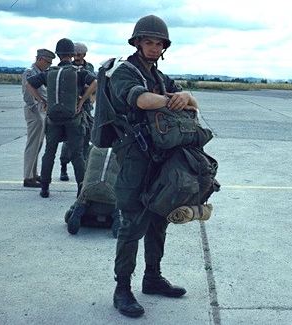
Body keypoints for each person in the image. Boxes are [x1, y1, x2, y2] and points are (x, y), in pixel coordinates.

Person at [107, 15, 198, 318]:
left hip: (160, 158)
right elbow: (141, 101)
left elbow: (191, 102)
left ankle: (152, 278)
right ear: (137, 42)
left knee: (160, 218)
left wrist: (186, 95)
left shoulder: (159, 76)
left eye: (159, 44)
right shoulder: (124, 72)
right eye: (149, 42)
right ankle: (122, 289)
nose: (154, 47)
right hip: (134, 159)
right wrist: (174, 100)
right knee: (132, 224)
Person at [26, 38, 97, 198]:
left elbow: (29, 85)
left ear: (57, 54)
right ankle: (81, 189)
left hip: (53, 118)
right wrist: (82, 100)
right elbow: (95, 82)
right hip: (74, 118)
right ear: (72, 54)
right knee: (77, 154)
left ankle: (44, 187)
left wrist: (43, 101)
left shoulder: (49, 72)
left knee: (49, 152)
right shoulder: (79, 72)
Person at [59, 42, 96, 181]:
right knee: (69, 140)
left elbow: (94, 84)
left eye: (79, 55)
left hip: (86, 108)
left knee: (87, 138)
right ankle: (64, 165)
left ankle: (85, 169)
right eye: (75, 54)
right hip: (71, 108)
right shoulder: (67, 66)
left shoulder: (89, 67)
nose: (77, 57)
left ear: (84, 55)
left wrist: (90, 97)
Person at [21, 49, 55, 188]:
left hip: (40, 110)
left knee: (37, 144)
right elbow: (27, 94)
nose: (48, 65)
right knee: (33, 144)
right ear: (40, 59)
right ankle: (28, 177)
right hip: (34, 111)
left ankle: (33, 174)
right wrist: (36, 109)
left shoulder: (39, 73)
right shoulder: (29, 72)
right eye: (47, 62)